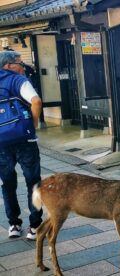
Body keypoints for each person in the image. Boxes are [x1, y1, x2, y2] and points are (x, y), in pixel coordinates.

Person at [0, 51, 43, 240]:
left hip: (1, 143)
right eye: (19, 62)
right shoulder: (18, 80)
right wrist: (33, 125)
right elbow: (36, 101)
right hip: (25, 141)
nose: (22, 66)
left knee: (7, 184)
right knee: (33, 183)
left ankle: (14, 225)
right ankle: (34, 226)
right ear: (8, 66)